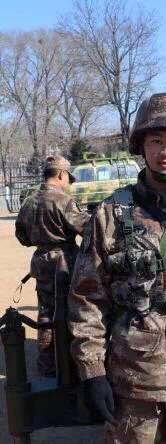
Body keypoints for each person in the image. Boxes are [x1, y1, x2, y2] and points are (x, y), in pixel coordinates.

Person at [68, 93, 166, 443]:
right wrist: (92, 372)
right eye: (156, 141)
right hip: (134, 380)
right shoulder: (111, 213)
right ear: (141, 146)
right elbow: (87, 298)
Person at [15, 155, 89, 377]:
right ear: (61, 174)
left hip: (41, 262)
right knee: (72, 311)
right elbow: (87, 230)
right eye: (69, 179)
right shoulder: (64, 201)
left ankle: (48, 365)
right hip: (65, 262)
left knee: (46, 313)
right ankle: (71, 365)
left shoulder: (29, 201)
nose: (69, 184)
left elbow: (22, 236)